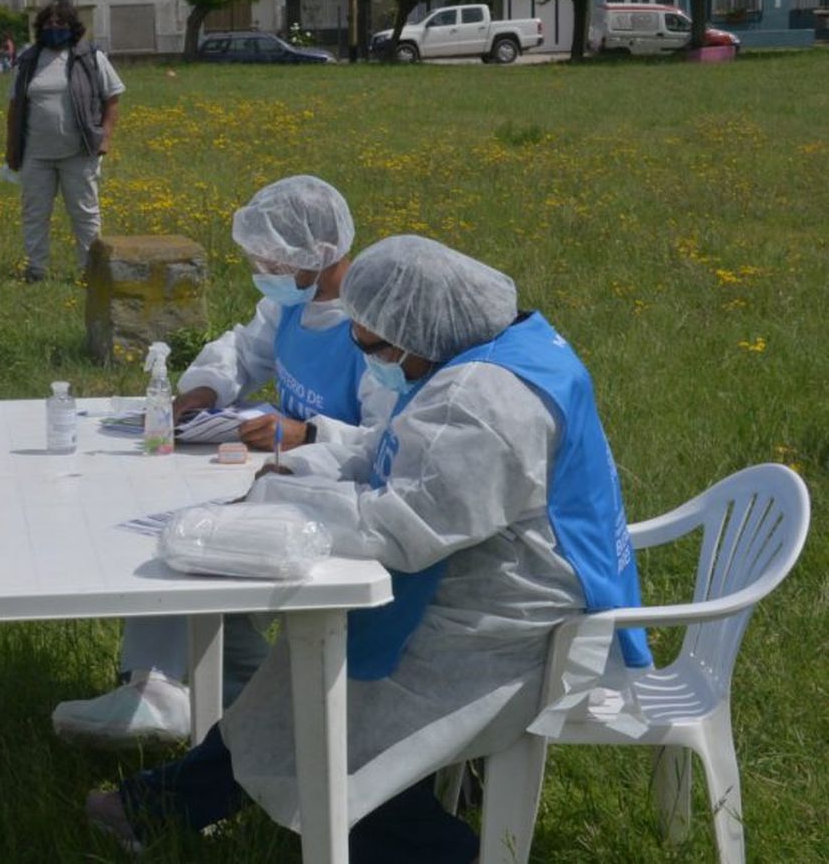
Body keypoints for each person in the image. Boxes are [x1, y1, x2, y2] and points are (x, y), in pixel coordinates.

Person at [87, 234, 653, 860]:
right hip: (496, 585)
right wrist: (304, 470)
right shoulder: (494, 351)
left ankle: (436, 850)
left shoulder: (485, 401)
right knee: (305, 683)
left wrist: (283, 504)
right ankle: (161, 803)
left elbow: (401, 528)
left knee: (323, 710)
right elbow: (394, 446)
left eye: (375, 345)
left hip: (508, 628)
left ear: (421, 329)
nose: (369, 356)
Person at [52, 176, 393, 746]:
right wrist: (206, 390)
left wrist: (309, 430)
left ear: (318, 254)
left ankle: (169, 692)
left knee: (187, 534)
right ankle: (188, 683)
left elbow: (387, 440)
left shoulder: (369, 328)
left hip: (332, 501)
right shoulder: (294, 305)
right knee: (164, 515)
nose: (262, 268)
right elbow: (242, 348)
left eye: (272, 258)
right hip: (277, 476)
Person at [5, 0, 124, 282]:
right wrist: (12, 150)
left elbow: (113, 99)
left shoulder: (91, 58)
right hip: (36, 154)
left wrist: (105, 138)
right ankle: (36, 270)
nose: (54, 29)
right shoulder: (28, 60)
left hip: (79, 151)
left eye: (61, 24)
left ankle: (90, 270)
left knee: (85, 213)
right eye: (48, 24)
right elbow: (13, 108)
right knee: (35, 213)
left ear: (73, 27)